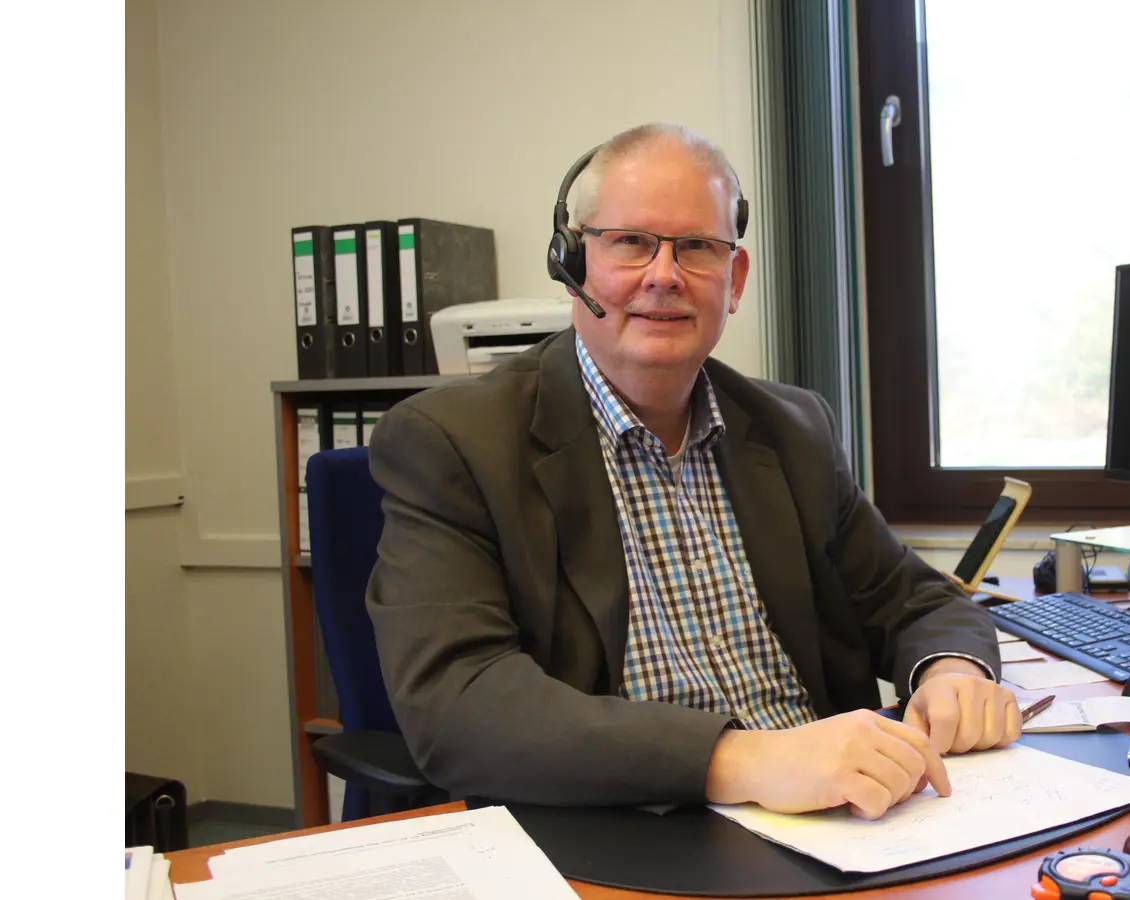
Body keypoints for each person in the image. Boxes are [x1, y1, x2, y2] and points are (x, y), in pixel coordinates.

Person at [366, 123, 1019, 820]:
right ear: (572, 263)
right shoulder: (453, 441)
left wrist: (953, 671)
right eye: (630, 241)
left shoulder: (792, 428)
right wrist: (741, 760)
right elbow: (458, 703)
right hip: (630, 827)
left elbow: (913, 599)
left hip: (836, 820)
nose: (664, 275)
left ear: (734, 280)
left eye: (698, 247)